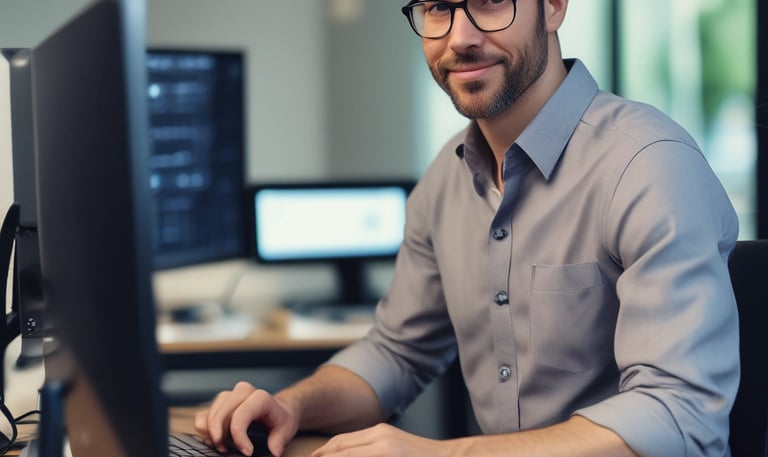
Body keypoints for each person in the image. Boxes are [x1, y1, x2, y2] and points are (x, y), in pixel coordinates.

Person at [196, 0, 741, 456]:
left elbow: (679, 416)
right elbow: (396, 352)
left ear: (552, 6)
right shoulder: (445, 179)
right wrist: (291, 405)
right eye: (437, 7)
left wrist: (444, 454)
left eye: (488, 1)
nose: (460, 37)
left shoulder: (647, 164)